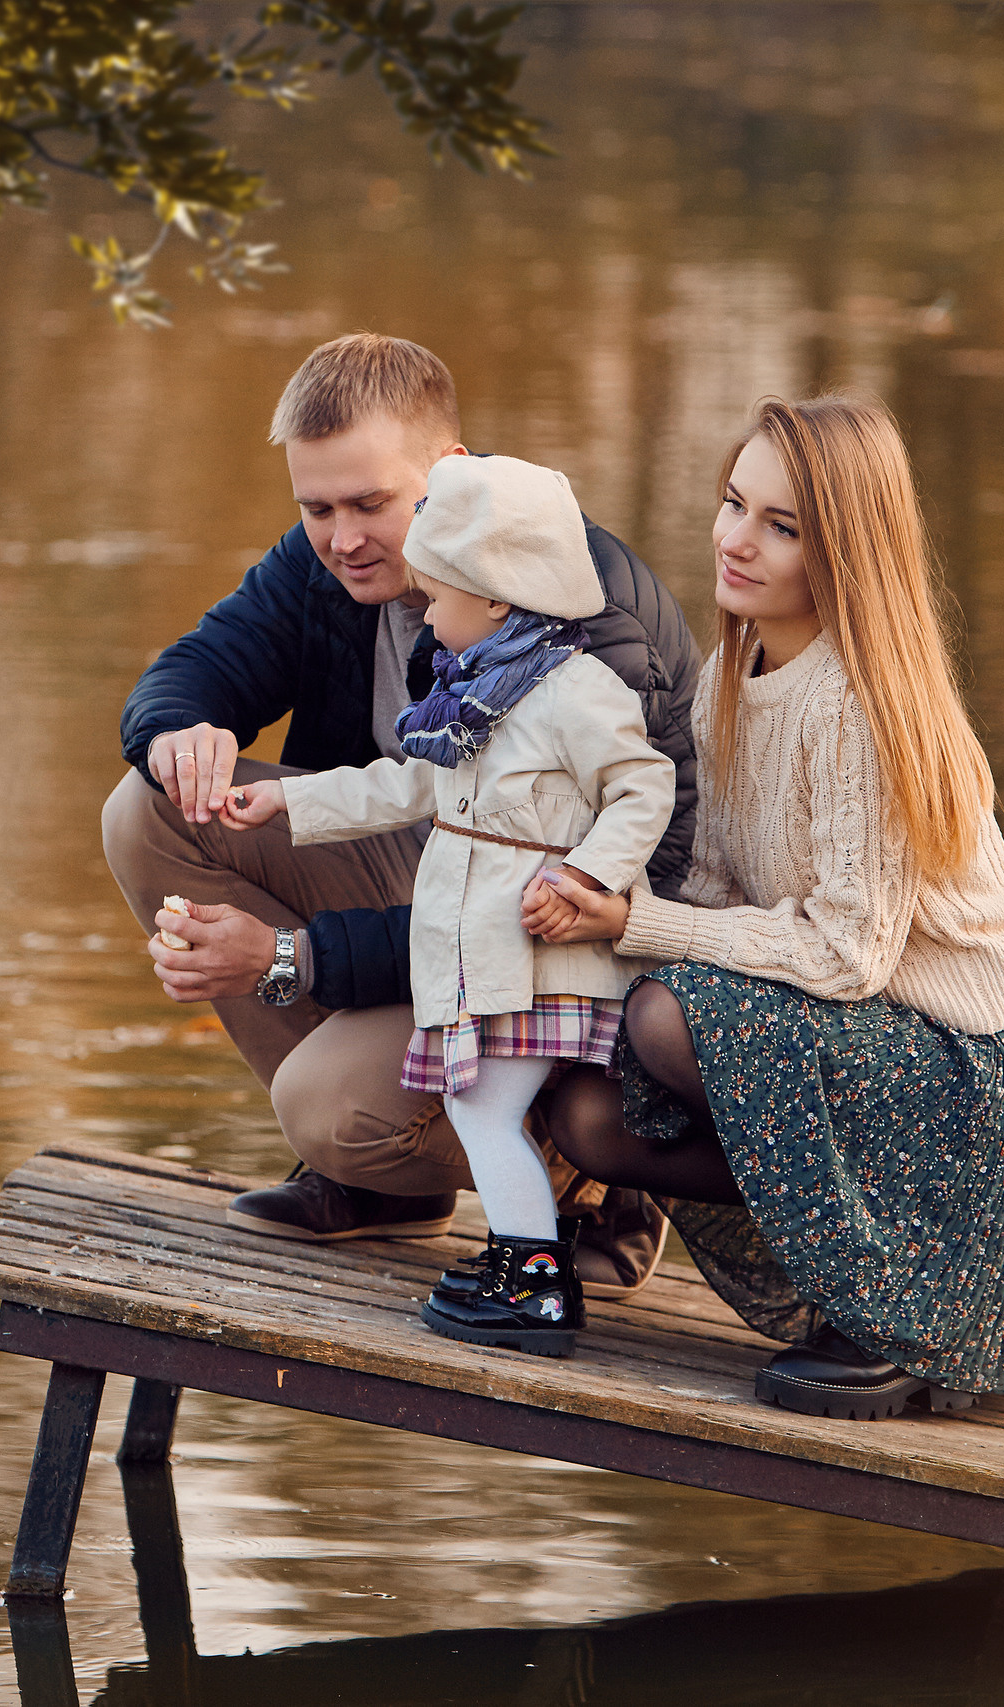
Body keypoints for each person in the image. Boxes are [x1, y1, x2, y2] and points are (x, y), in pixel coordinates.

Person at [519, 393, 1004, 1418]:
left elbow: (847, 954)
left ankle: (895, 1311)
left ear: (844, 552)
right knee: (593, 1117)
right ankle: (840, 1276)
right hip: (872, 1043)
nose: (736, 540)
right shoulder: (733, 675)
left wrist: (638, 928)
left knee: (666, 1015)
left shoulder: (860, 707)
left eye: (780, 526)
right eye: (733, 503)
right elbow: (712, 889)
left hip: (971, 1075)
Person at [103, 333, 704, 1294]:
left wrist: (292, 957)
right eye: (317, 508)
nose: (342, 538)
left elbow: (604, 885)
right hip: (439, 874)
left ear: (450, 470)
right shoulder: (329, 562)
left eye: (370, 503)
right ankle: (378, 1182)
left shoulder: (581, 616)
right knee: (150, 808)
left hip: (558, 956)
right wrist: (179, 731)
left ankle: (590, 1171)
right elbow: (201, 662)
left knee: (329, 1106)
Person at [220, 454, 674, 1355]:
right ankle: (524, 1262)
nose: (425, 615)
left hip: (540, 957)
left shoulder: (574, 689)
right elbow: (406, 784)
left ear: (497, 597)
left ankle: (535, 1279)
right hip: (486, 955)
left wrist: (586, 877)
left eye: (438, 596)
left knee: (483, 1109)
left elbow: (644, 786)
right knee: (480, 1107)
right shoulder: (475, 695)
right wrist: (288, 801)